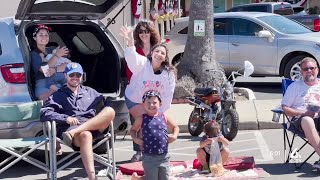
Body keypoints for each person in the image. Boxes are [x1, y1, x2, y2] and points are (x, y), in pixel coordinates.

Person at [40, 62, 115, 180]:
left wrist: (101, 114)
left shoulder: (90, 92)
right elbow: (45, 113)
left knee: (110, 111)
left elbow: (107, 104)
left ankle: (76, 131)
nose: (75, 77)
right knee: (86, 134)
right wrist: (66, 118)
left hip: (93, 128)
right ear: (65, 76)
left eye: (78, 75)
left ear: (82, 76)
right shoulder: (58, 95)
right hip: (74, 132)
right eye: (72, 75)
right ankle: (93, 178)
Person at [120, 25, 176, 162]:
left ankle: (152, 151)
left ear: (165, 58)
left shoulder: (168, 74)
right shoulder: (143, 63)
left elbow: (169, 94)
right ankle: (141, 152)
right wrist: (129, 41)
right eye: (157, 51)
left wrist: (160, 113)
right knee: (145, 121)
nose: (159, 54)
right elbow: (132, 57)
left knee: (153, 120)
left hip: (151, 102)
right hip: (135, 98)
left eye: (162, 53)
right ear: (152, 53)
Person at [130, 90, 179, 180]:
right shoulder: (141, 119)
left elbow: (175, 127)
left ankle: (137, 178)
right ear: (143, 105)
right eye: (148, 103)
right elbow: (133, 130)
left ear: (160, 104)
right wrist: (135, 139)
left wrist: (174, 136)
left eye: (154, 102)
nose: (151, 105)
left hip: (164, 156)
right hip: (149, 157)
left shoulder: (164, 117)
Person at [281, 57, 320, 169]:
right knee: (307, 120)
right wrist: (303, 113)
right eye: (306, 69)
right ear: (301, 72)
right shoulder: (295, 87)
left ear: (317, 69)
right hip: (299, 121)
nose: (309, 71)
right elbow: (285, 108)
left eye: (312, 68)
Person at [31, 24, 70, 101]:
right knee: (48, 101)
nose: (44, 37)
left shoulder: (52, 49)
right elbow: (45, 71)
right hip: (43, 82)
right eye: (41, 35)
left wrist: (56, 68)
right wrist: (56, 57)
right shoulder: (34, 54)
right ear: (35, 37)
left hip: (60, 79)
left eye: (46, 35)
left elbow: (66, 63)